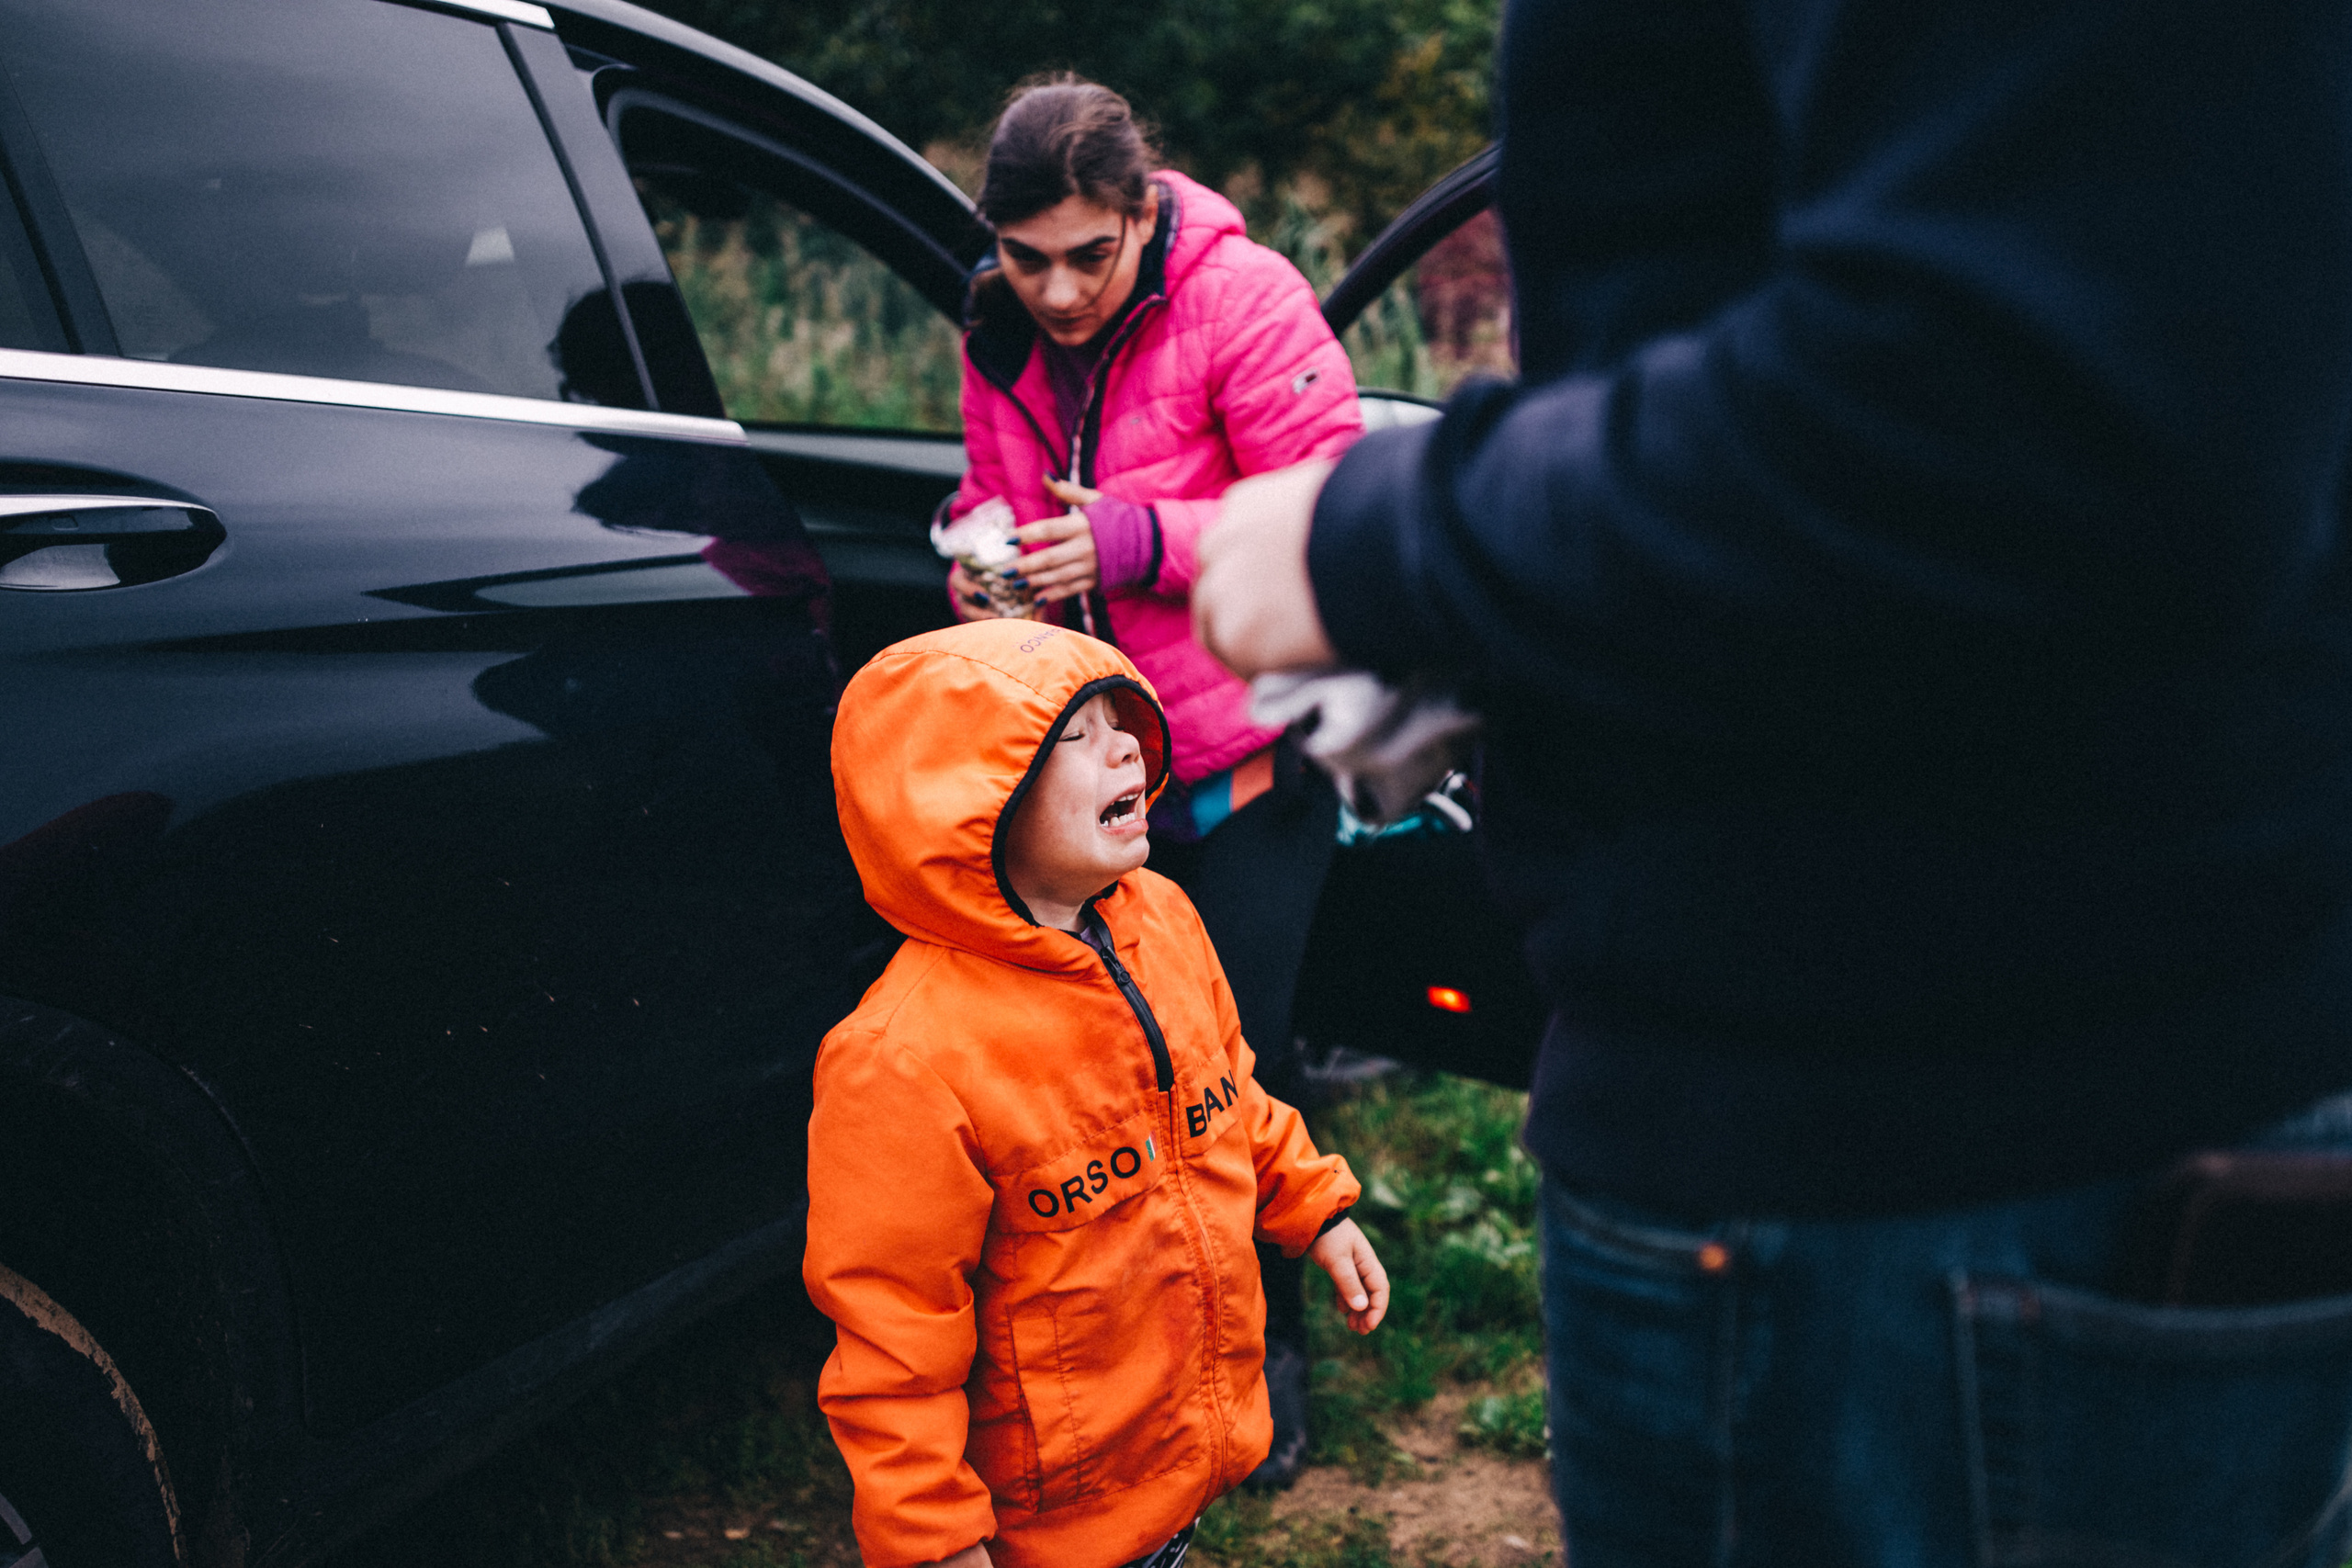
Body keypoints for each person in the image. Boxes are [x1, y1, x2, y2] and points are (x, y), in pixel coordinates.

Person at [1193, 0, 2352, 1561]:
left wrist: (1375, 541)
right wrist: (1531, 623)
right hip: (1916, 1156)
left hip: (1936, 1192)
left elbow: (2032, 410)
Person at [941, 74, 1365, 1487]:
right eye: (1024, 254)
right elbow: (1000, 491)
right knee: (1102, 1087)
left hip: (1240, 764)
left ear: (1143, 212)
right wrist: (986, 562)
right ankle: (1131, 1359)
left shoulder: (1244, 298)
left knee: (1231, 1069)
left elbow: (1334, 515)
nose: (1057, 289)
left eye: (1089, 254)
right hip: (1087, 776)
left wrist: (1133, 541)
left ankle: (1271, 1352)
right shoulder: (996, 325)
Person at [805, 619, 1389, 1568]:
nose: (1124, 744)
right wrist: (934, 1538)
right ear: (967, 803)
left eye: (1123, 722)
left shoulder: (1161, 916)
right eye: (1073, 738)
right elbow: (892, 1337)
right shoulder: (902, 1059)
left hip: (1167, 1462)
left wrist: (1315, 1208)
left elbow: (1227, 1091)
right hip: (1049, 1521)